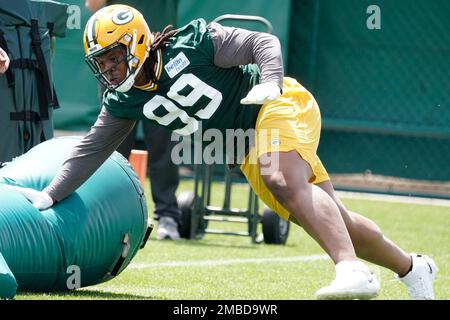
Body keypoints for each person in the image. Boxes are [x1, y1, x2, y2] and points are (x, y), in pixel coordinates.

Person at [11, 4, 437, 300]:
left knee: (280, 177)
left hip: (278, 103)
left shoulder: (194, 42)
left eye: (114, 58)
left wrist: (269, 80)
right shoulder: (124, 100)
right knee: (332, 218)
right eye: (101, 65)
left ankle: (352, 270)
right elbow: (90, 150)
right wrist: (50, 194)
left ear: (137, 43)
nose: (109, 70)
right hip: (247, 145)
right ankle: (413, 268)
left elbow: (262, 44)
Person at [85, 0, 182, 241]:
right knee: (113, 145)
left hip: (159, 55)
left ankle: (168, 215)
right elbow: (92, 5)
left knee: (164, 142)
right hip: (116, 58)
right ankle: (105, 212)